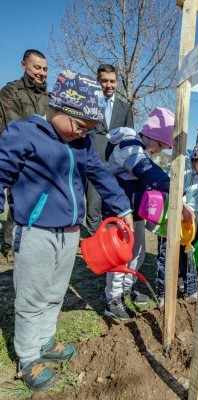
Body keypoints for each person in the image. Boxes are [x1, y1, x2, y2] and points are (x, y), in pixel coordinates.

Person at [0, 70, 133, 391]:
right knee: (32, 295)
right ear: (59, 108)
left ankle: (45, 341)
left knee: (54, 292)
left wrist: (123, 207)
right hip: (35, 232)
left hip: (69, 232)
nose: (82, 133)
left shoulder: (83, 143)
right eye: (79, 125)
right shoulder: (24, 134)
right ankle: (29, 357)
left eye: (89, 129)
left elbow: (100, 174)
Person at [104, 108, 195, 320]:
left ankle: (127, 288)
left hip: (134, 213)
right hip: (118, 213)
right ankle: (113, 300)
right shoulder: (128, 147)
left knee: (137, 253)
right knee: (120, 257)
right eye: (161, 145)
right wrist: (171, 186)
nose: (161, 150)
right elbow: (146, 171)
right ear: (152, 135)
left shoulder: (141, 149)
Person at [0, 49, 50, 262]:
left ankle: (36, 243)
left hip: (45, 159)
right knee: (18, 202)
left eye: (45, 69)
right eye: (36, 67)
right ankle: (12, 245)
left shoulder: (49, 97)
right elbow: (13, 126)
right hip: (19, 157)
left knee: (40, 202)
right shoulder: (11, 92)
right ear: (24, 66)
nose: (41, 73)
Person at [156, 127, 198, 307]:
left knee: (187, 252)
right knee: (166, 255)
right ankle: (163, 294)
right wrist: (181, 207)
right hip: (168, 219)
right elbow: (171, 189)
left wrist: (190, 211)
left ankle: (190, 288)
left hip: (186, 222)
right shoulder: (181, 165)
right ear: (197, 156)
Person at [85, 64, 134, 235]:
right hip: (93, 164)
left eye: (112, 81)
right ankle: (96, 243)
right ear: (98, 81)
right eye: (104, 81)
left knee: (114, 209)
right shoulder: (88, 103)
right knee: (93, 208)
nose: (108, 85)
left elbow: (129, 139)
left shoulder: (125, 108)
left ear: (117, 82)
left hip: (117, 169)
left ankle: (111, 242)